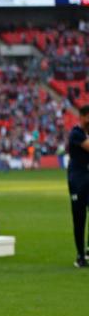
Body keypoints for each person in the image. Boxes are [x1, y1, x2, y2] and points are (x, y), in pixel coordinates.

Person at [67, 105, 89, 268]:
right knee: (79, 218)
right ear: (82, 117)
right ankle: (80, 255)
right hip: (78, 181)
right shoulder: (76, 133)